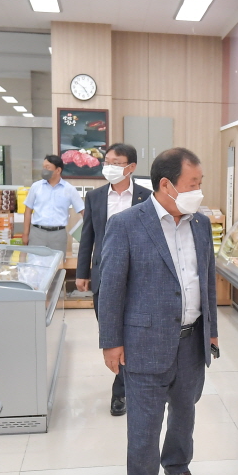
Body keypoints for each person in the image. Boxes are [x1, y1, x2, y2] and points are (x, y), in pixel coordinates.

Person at [97, 147, 218, 475]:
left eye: (200, 183)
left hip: (191, 341)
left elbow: (206, 279)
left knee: (185, 413)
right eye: (192, 184)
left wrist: (211, 329)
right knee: (144, 426)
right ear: (166, 185)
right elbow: (111, 288)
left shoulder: (200, 224)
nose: (198, 191)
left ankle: (177, 464)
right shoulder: (127, 224)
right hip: (144, 340)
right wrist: (110, 342)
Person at [76, 143, 151, 416]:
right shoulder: (95, 197)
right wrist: (82, 272)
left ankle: (121, 390)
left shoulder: (147, 197)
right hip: (104, 275)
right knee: (112, 332)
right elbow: (87, 236)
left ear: (131, 167)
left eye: (116, 162)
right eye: (107, 161)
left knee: (134, 334)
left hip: (139, 277)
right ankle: (124, 380)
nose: (109, 166)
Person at [23, 154, 84, 254]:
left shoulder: (69, 189)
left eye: (47, 167)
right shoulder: (36, 187)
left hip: (58, 235)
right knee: (35, 262)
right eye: (43, 167)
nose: (44, 170)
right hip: (37, 233)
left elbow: (83, 211)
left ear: (58, 170)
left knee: (57, 263)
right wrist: (25, 234)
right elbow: (28, 211)